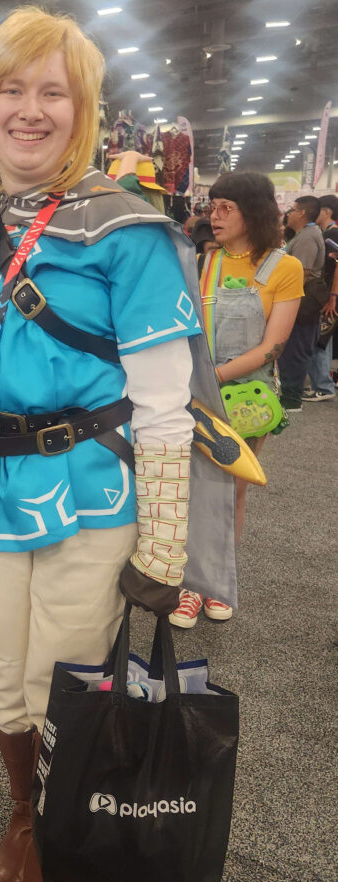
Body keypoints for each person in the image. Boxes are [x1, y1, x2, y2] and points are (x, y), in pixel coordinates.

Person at [0, 6, 229, 882]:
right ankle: (24, 816)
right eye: (10, 88)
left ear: (83, 107)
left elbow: (168, 404)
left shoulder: (128, 229)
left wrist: (166, 544)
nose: (30, 108)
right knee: (4, 674)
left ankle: (54, 875)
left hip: (91, 488)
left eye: (53, 90)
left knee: (69, 679)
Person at [169, 172, 303, 629]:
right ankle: (189, 586)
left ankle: (214, 584)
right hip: (190, 392)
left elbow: (273, 346)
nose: (215, 215)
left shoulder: (284, 268)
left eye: (227, 206)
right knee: (186, 489)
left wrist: (211, 377)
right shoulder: (202, 262)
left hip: (246, 399)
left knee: (232, 490)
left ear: (256, 212)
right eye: (213, 205)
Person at [276, 195, 325, 411]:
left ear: (302, 213)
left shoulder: (306, 238)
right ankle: (289, 393)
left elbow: (301, 274)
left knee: (296, 348)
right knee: (293, 347)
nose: (289, 213)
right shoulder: (304, 235)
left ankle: (291, 398)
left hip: (301, 302)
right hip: (299, 299)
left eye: (292, 209)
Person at [302, 193, 338, 402]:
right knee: (321, 338)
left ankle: (323, 386)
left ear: (327, 211)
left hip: (329, 295)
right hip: (326, 293)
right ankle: (323, 383)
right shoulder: (326, 233)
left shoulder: (332, 234)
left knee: (321, 339)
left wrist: (332, 297)